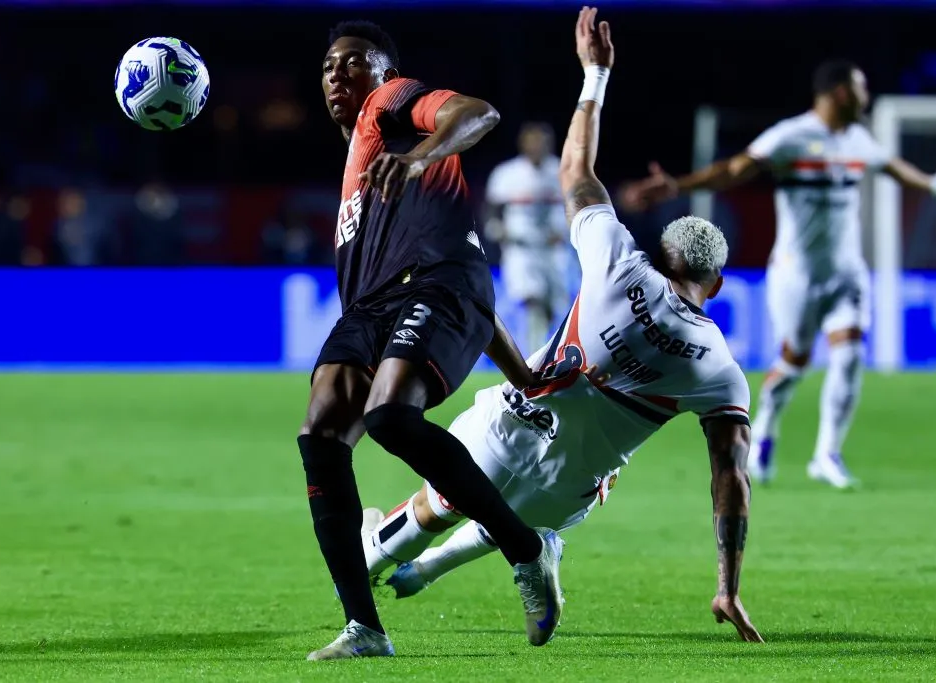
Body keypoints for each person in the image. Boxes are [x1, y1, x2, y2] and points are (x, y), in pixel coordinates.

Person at [360, 7, 763, 643]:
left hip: (514, 420)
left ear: (664, 253)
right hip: (573, 488)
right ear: (715, 285)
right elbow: (731, 479)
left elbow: (577, 173)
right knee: (522, 514)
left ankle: (379, 561)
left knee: (441, 502)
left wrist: (594, 77)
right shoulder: (719, 368)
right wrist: (727, 584)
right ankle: (451, 563)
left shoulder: (616, 262)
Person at [302, 20, 562, 660]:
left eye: (354, 61)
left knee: (389, 416)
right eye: (329, 66)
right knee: (322, 436)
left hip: (436, 287)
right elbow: (466, 274)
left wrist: (417, 154)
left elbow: (479, 113)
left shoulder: (389, 106)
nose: (338, 74)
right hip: (381, 304)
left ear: (383, 70)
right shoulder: (358, 169)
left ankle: (524, 548)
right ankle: (365, 630)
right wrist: (520, 370)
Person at [622, 60, 936, 489]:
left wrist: (932, 185)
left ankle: (826, 455)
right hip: (797, 275)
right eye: (861, 89)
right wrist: (679, 186)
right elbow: (735, 169)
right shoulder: (791, 136)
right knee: (794, 362)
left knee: (850, 353)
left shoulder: (856, 138)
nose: (866, 98)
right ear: (839, 93)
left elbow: (890, 165)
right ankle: (764, 433)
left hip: (847, 272)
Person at [485, 122, 572, 354]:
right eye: (531, 141)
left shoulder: (563, 171)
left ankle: (553, 354)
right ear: (522, 143)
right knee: (531, 299)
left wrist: (567, 230)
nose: (536, 146)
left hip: (554, 249)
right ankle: (533, 358)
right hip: (520, 247)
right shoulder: (507, 173)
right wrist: (496, 228)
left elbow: (579, 206)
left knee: (554, 307)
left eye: (540, 141)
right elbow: (492, 208)